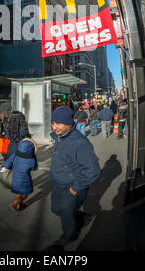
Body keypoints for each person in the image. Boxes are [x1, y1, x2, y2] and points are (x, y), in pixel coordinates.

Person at [49, 106, 101, 248]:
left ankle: (69, 236)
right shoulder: (59, 137)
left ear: (69, 123)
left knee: (66, 213)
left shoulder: (79, 142)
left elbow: (93, 170)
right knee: (55, 208)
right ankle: (83, 217)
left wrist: (75, 188)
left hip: (72, 186)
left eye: (58, 123)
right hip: (58, 184)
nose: (55, 127)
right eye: (53, 123)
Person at [4, 137, 38, 211]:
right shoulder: (32, 158)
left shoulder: (15, 154)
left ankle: (20, 205)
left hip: (14, 178)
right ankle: (14, 203)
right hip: (25, 179)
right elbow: (34, 168)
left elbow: (6, 165)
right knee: (25, 194)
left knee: (19, 192)